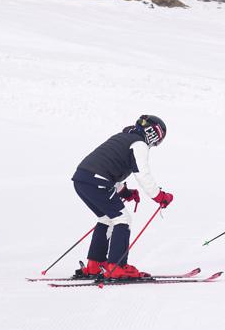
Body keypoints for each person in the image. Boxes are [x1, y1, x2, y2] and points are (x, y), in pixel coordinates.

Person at [72, 115, 173, 280]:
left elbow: (108, 166)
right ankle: (117, 267)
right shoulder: (139, 144)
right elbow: (142, 174)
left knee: (106, 218)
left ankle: (94, 265)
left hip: (82, 179)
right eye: (158, 138)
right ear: (154, 133)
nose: (156, 143)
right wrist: (160, 196)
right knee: (122, 219)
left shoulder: (122, 138)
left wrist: (124, 192)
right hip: (98, 181)